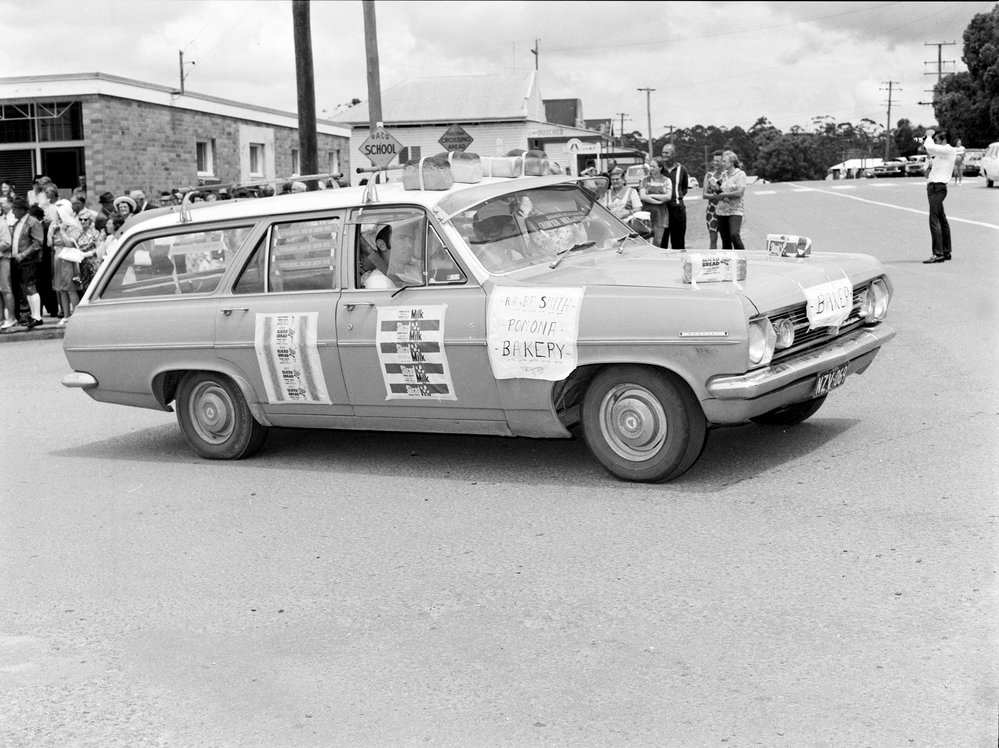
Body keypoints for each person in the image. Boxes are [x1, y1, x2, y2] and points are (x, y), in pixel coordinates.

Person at [9, 196, 45, 328]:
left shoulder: (32, 222)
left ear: (22, 210)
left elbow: (38, 243)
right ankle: (33, 315)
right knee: (26, 288)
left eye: (15, 209)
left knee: (31, 286)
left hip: (29, 260)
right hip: (20, 261)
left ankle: (37, 316)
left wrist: (22, 255)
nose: (13, 212)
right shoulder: (18, 223)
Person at [922, 129, 956, 263]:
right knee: (942, 220)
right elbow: (929, 151)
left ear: (943, 140)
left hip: (938, 188)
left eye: (937, 140)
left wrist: (929, 136)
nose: (935, 142)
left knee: (934, 219)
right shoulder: (940, 154)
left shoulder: (948, 150)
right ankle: (946, 251)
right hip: (934, 186)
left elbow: (929, 147)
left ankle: (938, 253)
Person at [49, 198, 83, 324]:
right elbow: (50, 243)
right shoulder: (55, 226)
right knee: (61, 288)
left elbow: (70, 243)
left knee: (70, 288)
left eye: (59, 214)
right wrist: (52, 231)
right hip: (58, 258)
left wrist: (62, 231)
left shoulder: (73, 226)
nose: (58, 217)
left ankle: (76, 314)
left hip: (68, 260)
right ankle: (66, 315)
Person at [709, 150, 747, 250]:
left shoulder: (740, 174)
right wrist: (714, 187)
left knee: (734, 235)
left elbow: (740, 192)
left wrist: (725, 194)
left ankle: (743, 258)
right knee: (725, 240)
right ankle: (728, 263)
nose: (722, 163)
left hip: (735, 210)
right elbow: (717, 189)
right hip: (721, 211)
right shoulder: (723, 175)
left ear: (731, 162)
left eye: (724, 161)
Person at [660, 143, 690, 249]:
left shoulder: (682, 170)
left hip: (677, 210)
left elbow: (684, 189)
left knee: (678, 243)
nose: (664, 155)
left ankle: (679, 264)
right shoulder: (658, 170)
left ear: (674, 154)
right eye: (663, 152)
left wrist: (675, 198)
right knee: (661, 243)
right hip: (661, 211)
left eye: (667, 152)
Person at [638, 157, 672, 246]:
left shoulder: (667, 180)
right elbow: (643, 196)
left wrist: (652, 196)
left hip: (661, 214)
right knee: (646, 240)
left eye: (654, 166)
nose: (651, 168)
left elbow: (668, 196)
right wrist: (658, 201)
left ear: (660, 168)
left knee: (658, 241)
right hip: (646, 213)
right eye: (650, 166)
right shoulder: (645, 180)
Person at [703, 150, 724, 249]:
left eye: (718, 161)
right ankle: (713, 261)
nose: (715, 163)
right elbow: (704, 195)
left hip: (725, 210)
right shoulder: (708, 175)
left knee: (726, 239)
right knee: (713, 240)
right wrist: (715, 196)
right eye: (714, 161)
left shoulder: (727, 176)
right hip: (712, 211)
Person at [0, 206, 14, 331]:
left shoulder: (2, 224)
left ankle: (11, 318)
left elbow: (6, 243)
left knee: (5, 289)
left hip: (3, 259)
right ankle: (1, 319)